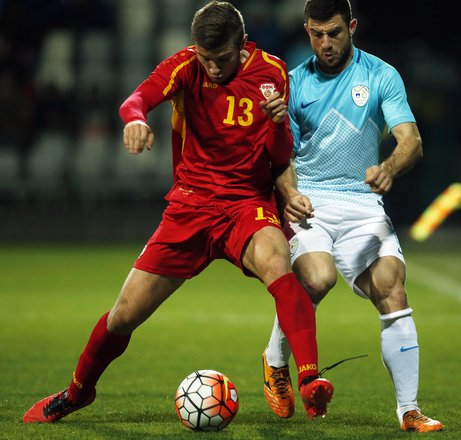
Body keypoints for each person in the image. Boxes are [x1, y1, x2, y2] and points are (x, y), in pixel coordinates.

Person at [23, 1, 334, 424]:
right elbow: (137, 99)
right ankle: (77, 393)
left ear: (241, 46)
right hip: (190, 206)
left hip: (247, 203)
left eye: (222, 59)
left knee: (278, 262)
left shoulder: (272, 72)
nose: (212, 68)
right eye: (206, 58)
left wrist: (278, 124)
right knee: (123, 316)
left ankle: (309, 379)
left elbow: (278, 156)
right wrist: (135, 120)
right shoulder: (185, 66)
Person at [260, 0, 443, 433]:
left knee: (392, 289)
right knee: (317, 278)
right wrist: (288, 193)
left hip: (363, 205)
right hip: (312, 202)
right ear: (307, 30)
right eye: (317, 33)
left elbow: (410, 140)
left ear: (352, 27)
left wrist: (389, 168)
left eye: (335, 33)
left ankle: (408, 410)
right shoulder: (291, 83)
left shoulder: (380, 75)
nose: (325, 43)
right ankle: (275, 361)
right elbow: (281, 152)